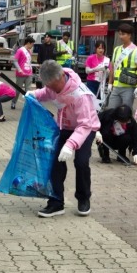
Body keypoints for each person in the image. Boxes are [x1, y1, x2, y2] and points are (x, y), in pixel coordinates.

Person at [27, 61, 100, 218]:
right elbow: (46, 93)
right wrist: (33, 95)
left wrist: (70, 145)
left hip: (86, 128)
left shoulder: (80, 95)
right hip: (64, 127)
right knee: (54, 162)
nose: (52, 90)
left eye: (54, 86)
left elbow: (85, 125)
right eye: (49, 86)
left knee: (81, 162)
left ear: (61, 76)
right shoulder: (52, 86)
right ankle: (56, 202)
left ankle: (83, 198)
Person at [106, 23, 137, 110]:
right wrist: (110, 83)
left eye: (123, 34)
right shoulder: (116, 49)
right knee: (111, 111)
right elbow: (112, 67)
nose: (121, 36)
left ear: (129, 35)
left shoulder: (136, 50)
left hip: (129, 87)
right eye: (119, 34)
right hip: (116, 86)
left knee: (125, 113)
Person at [12, 36, 35, 109]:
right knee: (18, 89)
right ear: (28, 43)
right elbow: (15, 60)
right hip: (21, 74)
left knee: (28, 90)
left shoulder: (29, 51)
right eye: (32, 44)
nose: (32, 46)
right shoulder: (20, 50)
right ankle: (13, 102)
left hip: (29, 73)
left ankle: (27, 105)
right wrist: (19, 69)